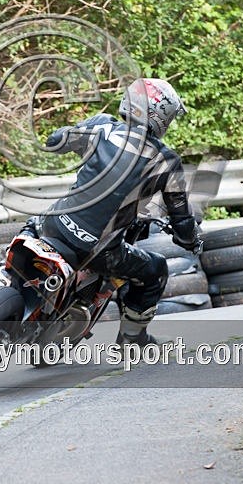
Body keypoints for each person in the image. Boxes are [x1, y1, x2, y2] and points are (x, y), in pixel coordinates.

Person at [37, 78, 202, 346]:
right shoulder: (166, 160)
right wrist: (190, 240)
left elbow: (54, 141)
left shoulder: (101, 126)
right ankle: (132, 340)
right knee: (156, 269)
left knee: (31, 226)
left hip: (54, 225)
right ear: (158, 114)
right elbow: (182, 222)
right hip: (97, 250)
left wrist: (75, 135)